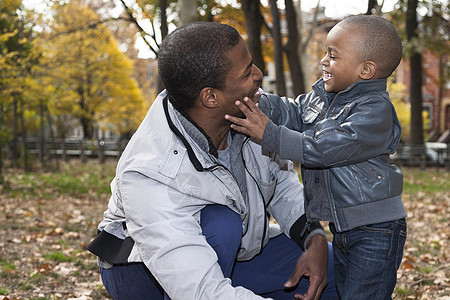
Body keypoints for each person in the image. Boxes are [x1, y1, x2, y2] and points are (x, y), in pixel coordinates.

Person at [87, 22, 338, 300]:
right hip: (144, 271)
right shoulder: (150, 172)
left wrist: (313, 238)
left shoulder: (248, 110)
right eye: (246, 73)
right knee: (222, 222)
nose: (259, 74)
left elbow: (280, 184)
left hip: (237, 254)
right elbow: (201, 291)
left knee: (338, 269)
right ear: (211, 97)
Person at [225, 15, 407, 300]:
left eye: (332, 56)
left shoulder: (375, 112)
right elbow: (294, 112)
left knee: (364, 294)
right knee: (347, 292)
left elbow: (325, 149)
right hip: (346, 227)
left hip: (377, 230)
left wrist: (269, 134)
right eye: (325, 53)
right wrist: (256, 100)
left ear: (366, 70)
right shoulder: (324, 98)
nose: (323, 61)